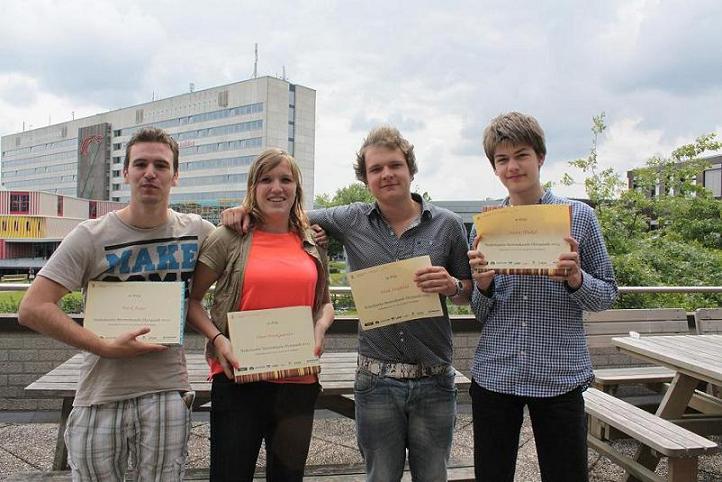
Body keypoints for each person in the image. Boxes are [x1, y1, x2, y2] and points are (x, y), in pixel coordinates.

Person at [222, 125, 472, 481]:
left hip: (434, 380)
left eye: (394, 165)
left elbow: (469, 291)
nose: (386, 174)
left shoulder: (447, 225)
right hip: (376, 380)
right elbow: (285, 214)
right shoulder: (351, 218)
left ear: (411, 170)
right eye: (376, 169)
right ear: (366, 178)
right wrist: (241, 210)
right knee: (379, 476)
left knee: (433, 476)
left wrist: (451, 285)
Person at [18, 127, 215, 481]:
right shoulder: (90, 236)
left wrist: (241, 217)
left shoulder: (198, 230)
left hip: (167, 390)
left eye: (161, 165)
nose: (150, 173)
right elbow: (33, 307)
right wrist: (103, 346)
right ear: (125, 173)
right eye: (140, 164)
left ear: (176, 176)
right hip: (100, 392)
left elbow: (245, 245)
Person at [466, 112, 618, 482]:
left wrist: (577, 279)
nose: (512, 166)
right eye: (502, 160)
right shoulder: (486, 225)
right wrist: (482, 286)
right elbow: (481, 312)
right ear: (494, 168)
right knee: (492, 474)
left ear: (540, 157)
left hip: (559, 373)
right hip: (496, 373)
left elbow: (608, 295)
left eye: (521, 155)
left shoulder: (578, 217)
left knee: (566, 475)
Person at [187, 148, 334, 482]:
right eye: (266, 179)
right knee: (229, 475)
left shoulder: (311, 241)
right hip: (239, 380)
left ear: (297, 187)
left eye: (285, 179)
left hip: (298, 382)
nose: (276, 188)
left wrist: (320, 328)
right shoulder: (228, 238)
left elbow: (325, 303)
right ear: (253, 186)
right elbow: (192, 302)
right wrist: (218, 340)